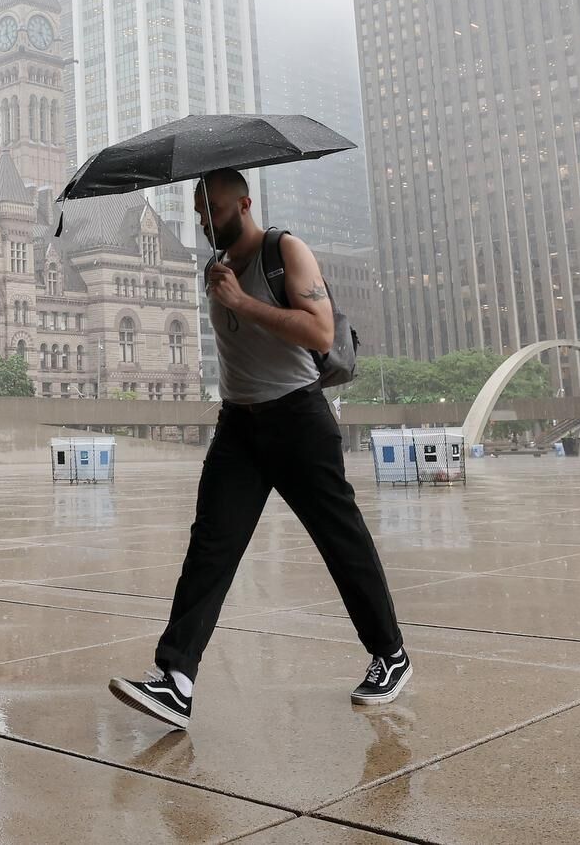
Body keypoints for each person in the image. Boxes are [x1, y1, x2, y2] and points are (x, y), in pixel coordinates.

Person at [109, 169, 410, 730]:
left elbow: (320, 333)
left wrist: (240, 302)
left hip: (298, 418)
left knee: (340, 540)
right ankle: (176, 681)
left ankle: (390, 654)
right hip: (238, 425)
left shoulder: (284, 250)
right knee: (210, 549)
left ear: (244, 203)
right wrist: (226, 292)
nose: (205, 220)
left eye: (214, 208)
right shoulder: (217, 269)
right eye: (200, 211)